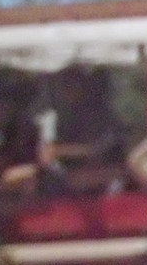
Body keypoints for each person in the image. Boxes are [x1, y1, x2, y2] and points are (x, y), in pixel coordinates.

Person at [31, 64, 127, 194]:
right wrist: (85, 150)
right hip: (62, 178)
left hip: (101, 172)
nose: (70, 89)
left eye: (76, 83)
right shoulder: (50, 116)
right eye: (65, 84)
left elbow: (110, 145)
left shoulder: (103, 115)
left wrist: (94, 152)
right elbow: (46, 155)